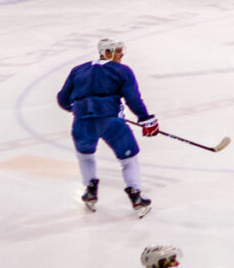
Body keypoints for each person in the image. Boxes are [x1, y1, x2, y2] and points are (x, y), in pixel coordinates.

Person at [56, 37, 158, 216]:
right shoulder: (122, 71)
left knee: (85, 156)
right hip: (111, 122)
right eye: (118, 51)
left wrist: (78, 110)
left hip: (81, 123)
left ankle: (89, 190)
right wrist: (145, 119)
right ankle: (135, 196)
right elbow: (132, 98)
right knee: (129, 159)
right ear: (107, 53)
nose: (122, 54)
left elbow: (62, 99)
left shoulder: (78, 70)